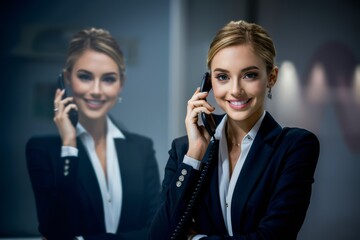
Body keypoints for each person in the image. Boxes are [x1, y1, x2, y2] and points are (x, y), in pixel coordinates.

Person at [149, 20, 320, 239]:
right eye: (222, 77)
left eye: (249, 75)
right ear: (208, 83)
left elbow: (274, 236)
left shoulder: (294, 147)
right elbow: (158, 236)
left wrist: (196, 239)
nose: (236, 90)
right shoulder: (184, 148)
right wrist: (194, 156)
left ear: (271, 77)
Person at [26, 28, 161, 240]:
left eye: (108, 79)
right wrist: (69, 145)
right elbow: (54, 231)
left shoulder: (141, 148)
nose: (96, 90)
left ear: (121, 84)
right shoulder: (43, 150)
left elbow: (157, 231)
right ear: (67, 79)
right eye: (85, 77)